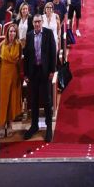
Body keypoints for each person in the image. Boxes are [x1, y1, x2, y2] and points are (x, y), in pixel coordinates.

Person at [23, 14, 57, 143]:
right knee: (34, 100)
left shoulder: (48, 33)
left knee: (47, 101)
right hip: (33, 72)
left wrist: (52, 70)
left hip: (45, 71)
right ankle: (34, 125)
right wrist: (26, 73)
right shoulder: (29, 35)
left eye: (39, 22)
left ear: (42, 22)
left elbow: (53, 52)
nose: (37, 24)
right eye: (35, 22)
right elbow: (26, 56)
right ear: (33, 23)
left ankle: (48, 127)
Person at [0, 24, 22, 136]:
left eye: (14, 31)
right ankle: (1, 125)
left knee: (11, 99)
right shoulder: (1, 45)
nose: (12, 33)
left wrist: (20, 77)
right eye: (10, 31)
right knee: (3, 99)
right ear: (7, 32)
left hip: (14, 75)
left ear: (16, 33)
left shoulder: (19, 45)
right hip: (3, 75)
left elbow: (19, 62)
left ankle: (9, 124)